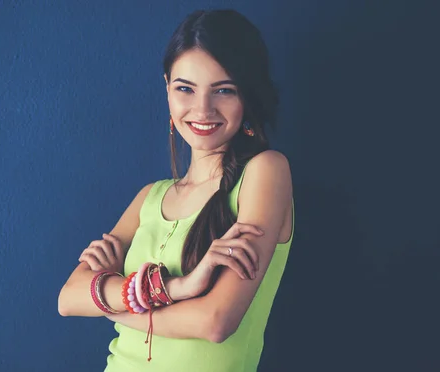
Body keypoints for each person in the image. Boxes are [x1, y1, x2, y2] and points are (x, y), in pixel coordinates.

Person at [58, 9, 294, 372]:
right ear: (167, 87)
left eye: (224, 90)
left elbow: (215, 322)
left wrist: (115, 308)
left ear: (248, 95)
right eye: (185, 88)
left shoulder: (266, 172)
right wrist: (177, 288)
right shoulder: (150, 197)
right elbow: (69, 298)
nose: (203, 109)